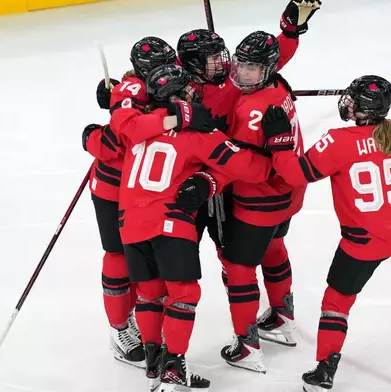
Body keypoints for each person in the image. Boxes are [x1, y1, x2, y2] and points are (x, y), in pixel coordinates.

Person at [259, 75, 391, 391]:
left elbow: (292, 174)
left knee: (338, 300)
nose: (347, 104)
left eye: (353, 101)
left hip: (364, 242)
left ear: (363, 110)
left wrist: (279, 141)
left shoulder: (338, 141)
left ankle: (325, 369)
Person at [115, 63, 273, 390]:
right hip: (170, 222)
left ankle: (154, 359)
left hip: (129, 224)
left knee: (148, 293)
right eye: (187, 88)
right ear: (179, 93)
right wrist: (272, 147)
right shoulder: (200, 133)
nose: (193, 90)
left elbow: (124, 124)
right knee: (184, 294)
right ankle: (174, 370)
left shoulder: (138, 126)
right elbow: (251, 168)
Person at [175, 30, 306, 373]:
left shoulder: (250, 107)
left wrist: (209, 180)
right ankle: (283, 317)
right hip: (288, 194)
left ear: (266, 69)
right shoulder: (280, 86)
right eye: (240, 65)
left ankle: (248, 346)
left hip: (259, 200)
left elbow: (244, 165)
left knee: (238, 268)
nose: (238, 73)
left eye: (250, 69)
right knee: (274, 248)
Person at [174, 0, 322, 292]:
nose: (222, 63)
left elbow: (273, 57)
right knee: (178, 255)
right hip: (189, 179)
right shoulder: (178, 86)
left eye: (220, 55)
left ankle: (244, 303)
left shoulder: (236, 77)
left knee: (230, 252)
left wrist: (291, 29)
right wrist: (120, 91)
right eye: (212, 59)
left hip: (225, 180)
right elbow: (148, 83)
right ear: (192, 64)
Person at [82, 36, 177, 368]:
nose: (165, 73)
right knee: (119, 259)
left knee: (151, 260)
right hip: (113, 189)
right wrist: (96, 136)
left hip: (150, 191)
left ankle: (147, 318)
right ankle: (120, 329)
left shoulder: (174, 83)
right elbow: (122, 137)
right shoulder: (130, 92)